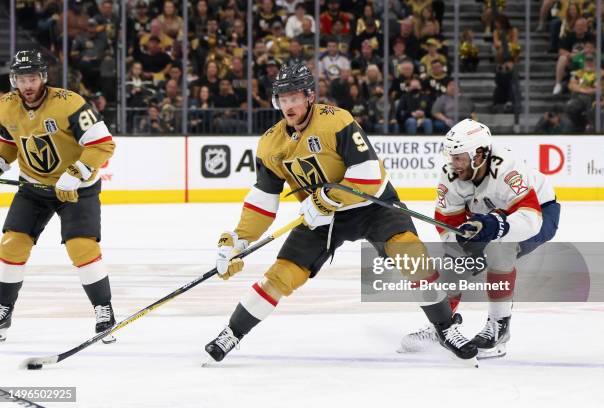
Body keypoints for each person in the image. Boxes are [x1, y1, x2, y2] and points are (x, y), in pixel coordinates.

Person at [203, 63, 478, 365]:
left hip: (372, 207)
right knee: (280, 276)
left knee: (411, 255)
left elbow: (369, 176)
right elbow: (263, 200)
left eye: (294, 97)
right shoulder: (271, 143)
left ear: (309, 96)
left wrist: (325, 197)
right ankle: (233, 332)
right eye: (282, 99)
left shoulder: (336, 121)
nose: (288, 105)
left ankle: (445, 329)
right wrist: (238, 240)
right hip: (323, 219)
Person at [398, 118, 560, 359]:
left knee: (499, 250)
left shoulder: (508, 168)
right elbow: (448, 224)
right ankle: (443, 325)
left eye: (459, 157)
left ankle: (499, 329)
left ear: (480, 154)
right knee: (454, 259)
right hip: (488, 216)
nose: (453, 164)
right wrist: (461, 248)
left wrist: (495, 225)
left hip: (539, 212)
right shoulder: (450, 175)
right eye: (451, 157)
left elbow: (531, 220)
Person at [0, 50, 117, 342]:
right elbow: (8, 144)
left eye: (33, 77)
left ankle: (104, 309)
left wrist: (76, 172)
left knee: (81, 247)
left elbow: (103, 144)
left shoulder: (70, 103)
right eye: (21, 78)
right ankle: (3, 309)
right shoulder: (5, 106)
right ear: (13, 80)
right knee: (12, 245)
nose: (27, 85)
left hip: (78, 189)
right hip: (33, 188)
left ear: (43, 78)